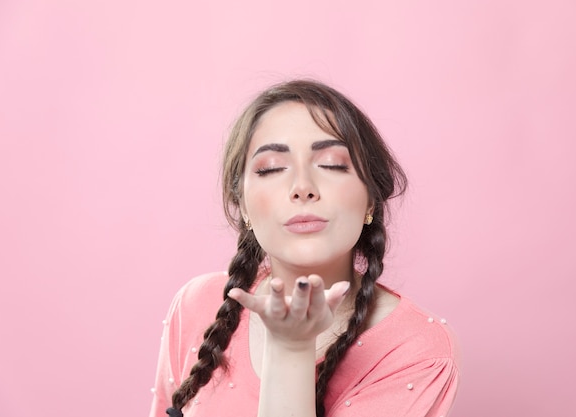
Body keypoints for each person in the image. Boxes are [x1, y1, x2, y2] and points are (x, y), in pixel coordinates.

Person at [149, 79, 460, 417]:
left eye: (331, 165)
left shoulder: (416, 349)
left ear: (370, 199)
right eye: (271, 168)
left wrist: (291, 346)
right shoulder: (198, 304)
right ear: (244, 206)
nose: (302, 188)